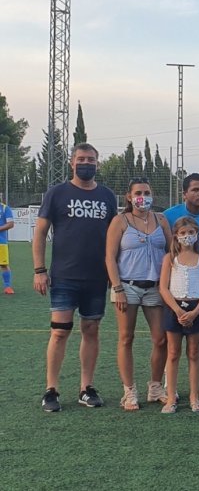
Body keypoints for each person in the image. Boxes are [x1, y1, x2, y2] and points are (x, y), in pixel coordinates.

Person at [33, 143, 117, 412]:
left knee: (91, 330)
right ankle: (51, 389)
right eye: (81, 159)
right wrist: (39, 270)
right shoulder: (57, 193)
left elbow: (114, 237)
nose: (86, 163)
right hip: (64, 276)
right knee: (59, 332)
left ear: (97, 163)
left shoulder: (107, 196)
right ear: (72, 163)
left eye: (91, 159)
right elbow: (40, 233)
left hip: (96, 277)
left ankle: (86, 387)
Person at [105, 177, 172, 410]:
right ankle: (129, 391)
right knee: (126, 338)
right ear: (129, 196)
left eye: (146, 192)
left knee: (161, 339)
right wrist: (118, 288)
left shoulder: (161, 220)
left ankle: (155, 387)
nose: (142, 196)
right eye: (138, 192)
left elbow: (172, 252)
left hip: (155, 287)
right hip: (127, 286)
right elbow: (110, 257)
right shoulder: (120, 221)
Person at [163, 173, 199, 395]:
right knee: (172, 338)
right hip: (176, 283)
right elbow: (166, 247)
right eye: (196, 190)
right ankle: (169, 387)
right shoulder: (169, 216)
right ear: (184, 193)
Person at [159, 216, 199, 414]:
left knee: (193, 353)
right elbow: (163, 288)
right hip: (175, 309)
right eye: (183, 233)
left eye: (191, 233)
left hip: (196, 308)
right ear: (176, 236)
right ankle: (171, 397)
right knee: (173, 353)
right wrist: (178, 310)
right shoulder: (169, 259)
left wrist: (195, 312)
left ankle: (194, 397)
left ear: (196, 234)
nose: (187, 236)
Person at [0, 199, 14, 294]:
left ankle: (7, 287)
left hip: (1, 241)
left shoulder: (5, 208)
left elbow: (10, 224)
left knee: (3, 264)